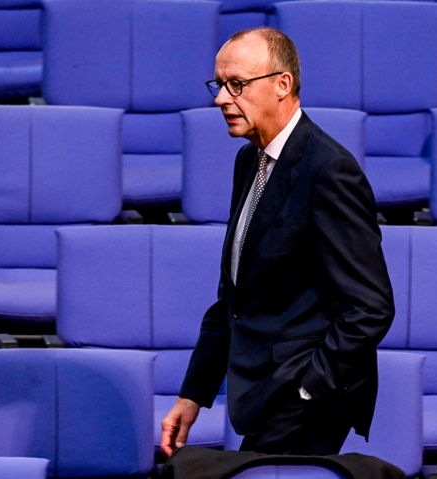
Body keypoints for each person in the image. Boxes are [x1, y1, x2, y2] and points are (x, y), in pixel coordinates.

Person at [161, 27, 394, 457]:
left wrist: (309, 388)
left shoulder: (329, 171)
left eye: (237, 85)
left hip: (307, 395)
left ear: (282, 84)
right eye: (219, 84)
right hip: (267, 386)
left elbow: (370, 306)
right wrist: (193, 395)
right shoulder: (249, 160)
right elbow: (233, 299)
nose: (220, 99)